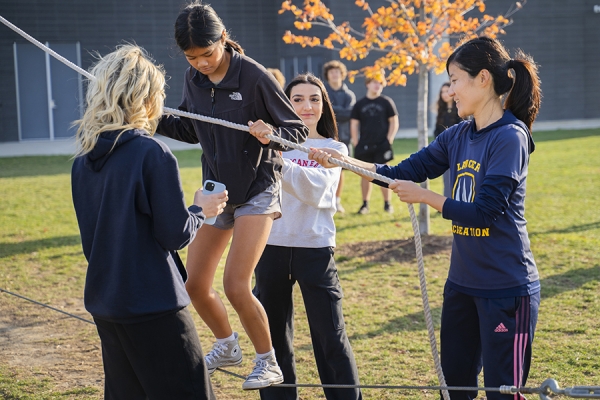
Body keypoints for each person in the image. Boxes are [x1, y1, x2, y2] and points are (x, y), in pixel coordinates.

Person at [309, 36, 542, 400]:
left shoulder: (510, 137)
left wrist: (427, 197)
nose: (450, 91)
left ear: (483, 79)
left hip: (506, 290)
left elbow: (485, 213)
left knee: (504, 393)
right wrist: (343, 161)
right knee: (454, 388)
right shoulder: (457, 135)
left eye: (454, 80)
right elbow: (400, 171)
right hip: (462, 285)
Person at [156, 1, 309, 390]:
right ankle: (226, 345)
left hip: (258, 189)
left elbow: (297, 132)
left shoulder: (254, 76)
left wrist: (270, 134)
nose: (201, 63)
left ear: (223, 39)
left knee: (236, 284)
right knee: (193, 283)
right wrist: (150, 116)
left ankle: (268, 362)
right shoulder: (194, 79)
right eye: (192, 58)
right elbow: (194, 130)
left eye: (207, 53)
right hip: (218, 189)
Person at [71, 44, 227, 400]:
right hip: (154, 306)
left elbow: (90, 243)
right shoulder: (151, 153)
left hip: (106, 304)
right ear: (145, 96)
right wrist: (201, 209)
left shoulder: (82, 160)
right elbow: (175, 233)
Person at [254, 73, 362, 400]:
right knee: (273, 339)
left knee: (331, 337)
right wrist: (269, 145)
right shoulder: (269, 143)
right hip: (269, 247)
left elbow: (316, 191)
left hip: (315, 251)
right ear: (285, 103)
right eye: (297, 99)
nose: (307, 106)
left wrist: (274, 157)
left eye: (314, 99)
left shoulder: (333, 148)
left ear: (324, 105)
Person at [350, 72, 399, 214]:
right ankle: (365, 204)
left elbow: (394, 121)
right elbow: (354, 124)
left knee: (385, 175)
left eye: (380, 83)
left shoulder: (386, 102)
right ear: (367, 84)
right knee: (365, 175)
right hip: (364, 145)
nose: (377, 85)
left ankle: (387, 204)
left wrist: (389, 139)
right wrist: (355, 141)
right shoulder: (360, 104)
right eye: (374, 82)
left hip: (382, 145)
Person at [323, 60, 356, 213]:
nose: (335, 74)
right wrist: (339, 112)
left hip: (343, 137)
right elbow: (323, 113)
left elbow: (350, 114)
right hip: (324, 135)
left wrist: (332, 111)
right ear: (327, 75)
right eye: (332, 72)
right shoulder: (322, 92)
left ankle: (337, 201)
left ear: (342, 75)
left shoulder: (349, 95)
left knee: (339, 170)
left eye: (337, 72)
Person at [433, 82, 462, 199]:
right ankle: (447, 201)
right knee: (447, 178)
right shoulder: (441, 111)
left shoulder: (460, 110)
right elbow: (437, 131)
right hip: (444, 150)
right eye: (442, 92)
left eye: (447, 91)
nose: (445, 94)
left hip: (458, 149)